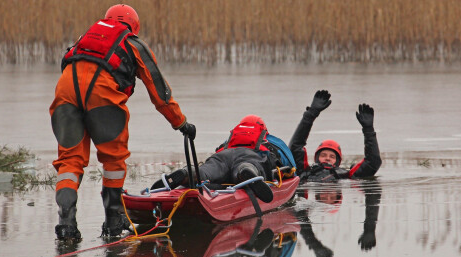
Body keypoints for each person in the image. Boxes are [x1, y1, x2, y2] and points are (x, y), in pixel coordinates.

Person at [49, 4, 196, 241]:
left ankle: (66, 225)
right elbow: (159, 91)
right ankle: (113, 221)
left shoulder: (86, 37)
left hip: (65, 94)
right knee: (113, 160)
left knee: (69, 162)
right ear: (134, 26)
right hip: (102, 94)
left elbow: (67, 64)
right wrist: (181, 123)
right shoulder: (133, 43)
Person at [150, 114, 298, 203]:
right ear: (263, 129)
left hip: (223, 157)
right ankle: (245, 173)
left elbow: (217, 152)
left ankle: (189, 174)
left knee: (207, 171)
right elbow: (290, 163)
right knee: (247, 166)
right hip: (249, 157)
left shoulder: (230, 139)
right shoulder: (269, 140)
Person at [288, 90, 382, 183]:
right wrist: (311, 114)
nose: (327, 158)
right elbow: (295, 147)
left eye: (332, 156)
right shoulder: (305, 172)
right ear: (316, 158)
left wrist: (368, 130)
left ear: (338, 161)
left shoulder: (347, 176)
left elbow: (373, 162)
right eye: (323, 155)